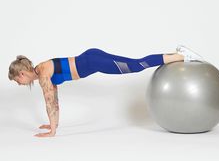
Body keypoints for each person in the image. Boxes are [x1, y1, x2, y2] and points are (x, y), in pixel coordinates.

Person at [8, 45, 204, 137]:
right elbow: (55, 100)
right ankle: (177, 54)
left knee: (136, 65)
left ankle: (181, 56)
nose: (19, 84)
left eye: (17, 80)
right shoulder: (44, 72)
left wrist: (52, 132)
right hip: (90, 57)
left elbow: (49, 101)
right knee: (134, 63)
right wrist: (53, 125)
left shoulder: (43, 75)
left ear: (23, 73)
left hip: (92, 61)